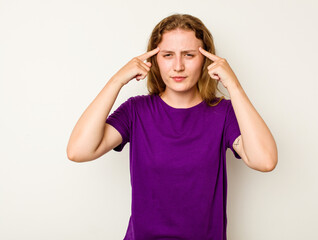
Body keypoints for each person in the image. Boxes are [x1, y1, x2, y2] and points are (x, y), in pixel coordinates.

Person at [67, 13, 277, 240]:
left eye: (189, 55)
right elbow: (79, 151)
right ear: (155, 60)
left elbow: (264, 161)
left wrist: (233, 85)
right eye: (168, 55)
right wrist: (118, 80)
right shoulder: (136, 111)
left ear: (206, 60)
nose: (178, 66)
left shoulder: (223, 114)